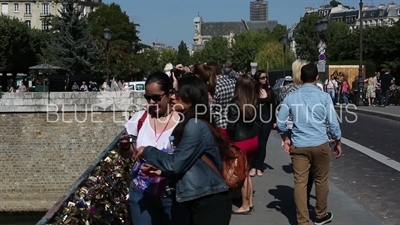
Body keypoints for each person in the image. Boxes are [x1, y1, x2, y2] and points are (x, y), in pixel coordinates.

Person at [135, 76, 232, 225]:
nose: (173, 97)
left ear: (190, 97)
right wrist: (162, 172)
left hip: (208, 201)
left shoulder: (195, 125)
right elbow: (189, 162)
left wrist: (147, 150)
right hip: (202, 198)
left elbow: (175, 164)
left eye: (178, 93)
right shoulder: (192, 122)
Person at [118, 72, 188, 225]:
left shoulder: (182, 122)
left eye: (156, 98)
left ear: (170, 94)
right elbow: (129, 154)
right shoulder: (140, 118)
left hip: (172, 195)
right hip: (141, 193)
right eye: (148, 98)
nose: (151, 102)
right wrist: (124, 147)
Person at [276, 64, 342, 225]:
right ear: (317, 77)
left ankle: (302, 220)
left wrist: (286, 137)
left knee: (300, 182)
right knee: (321, 181)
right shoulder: (324, 97)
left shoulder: (291, 97)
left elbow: (280, 121)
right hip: (320, 143)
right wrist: (338, 141)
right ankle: (320, 214)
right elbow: (333, 123)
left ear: (301, 77)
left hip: (299, 144)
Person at [227, 75, 259, 215]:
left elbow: (231, 126)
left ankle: (245, 205)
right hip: (253, 139)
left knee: (243, 175)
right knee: (247, 173)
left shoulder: (234, 103)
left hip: (241, 142)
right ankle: (249, 202)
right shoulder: (254, 101)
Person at [249, 70, 276, 177]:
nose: (264, 79)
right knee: (254, 143)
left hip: (266, 120)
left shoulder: (270, 92)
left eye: (265, 77)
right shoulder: (252, 92)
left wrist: (274, 121)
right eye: (262, 78)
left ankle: (259, 166)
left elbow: (273, 106)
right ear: (257, 79)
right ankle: (253, 166)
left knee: (262, 144)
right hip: (254, 120)